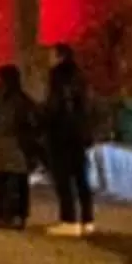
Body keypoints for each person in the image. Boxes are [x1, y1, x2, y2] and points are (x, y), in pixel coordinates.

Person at [41, 43, 96, 234]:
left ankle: (69, 219)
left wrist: (45, 121)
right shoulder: (80, 78)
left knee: (63, 178)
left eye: (52, 55)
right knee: (81, 178)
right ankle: (87, 220)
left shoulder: (58, 77)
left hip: (61, 134)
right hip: (79, 134)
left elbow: (55, 106)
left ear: (59, 57)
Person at [0, 61, 40, 228]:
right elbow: (34, 123)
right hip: (15, 148)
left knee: (4, 183)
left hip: (7, 147)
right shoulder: (21, 100)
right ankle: (15, 216)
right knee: (16, 184)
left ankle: (3, 216)